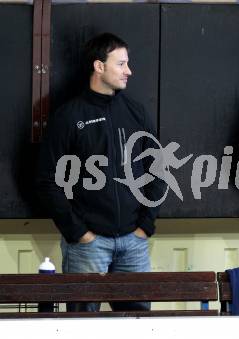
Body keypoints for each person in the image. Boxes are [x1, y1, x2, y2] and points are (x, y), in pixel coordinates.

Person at [36, 33, 165, 312]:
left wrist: (146, 226)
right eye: (121, 64)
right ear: (99, 67)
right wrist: (79, 232)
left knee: (139, 327)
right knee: (81, 327)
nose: (128, 71)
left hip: (134, 242)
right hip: (87, 245)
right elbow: (47, 180)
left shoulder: (135, 112)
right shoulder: (69, 116)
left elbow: (159, 168)